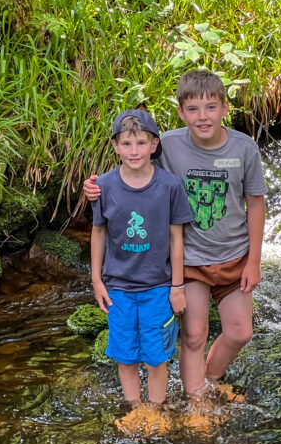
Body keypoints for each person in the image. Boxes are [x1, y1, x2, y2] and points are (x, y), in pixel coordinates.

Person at [85, 70, 267, 397]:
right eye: (193, 109)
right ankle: (196, 400)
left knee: (240, 333)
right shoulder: (166, 145)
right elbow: (132, 165)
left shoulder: (244, 148)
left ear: (225, 108)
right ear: (181, 112)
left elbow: (255, 204)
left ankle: (211, 378)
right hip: (189, 261)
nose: (202, 117)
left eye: (211, 107)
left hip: (234, 256)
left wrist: (254, 261)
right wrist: (96, 187)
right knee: (194, 335)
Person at [90, 109, 191, 408]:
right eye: (126, 144)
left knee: (156, 357)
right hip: (118, 289)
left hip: (157, 287)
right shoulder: (104, 186)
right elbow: (99, 232)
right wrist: (96, 280)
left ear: (154, 145)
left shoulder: (170, 186)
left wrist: (177, 287)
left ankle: (156, 410)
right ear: (115, 146)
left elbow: (176, 238)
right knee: (125, 356)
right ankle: (135, 408)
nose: (134, 151)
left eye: (141, 143)